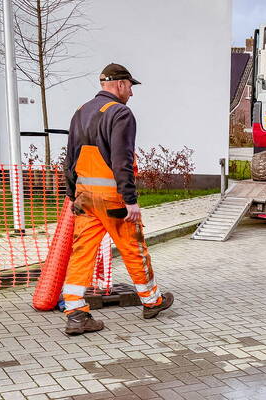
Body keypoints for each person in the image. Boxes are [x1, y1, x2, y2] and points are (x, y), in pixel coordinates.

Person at [60, 63, 174, 335]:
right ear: (120, 84)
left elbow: (70, 157)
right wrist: (130, 200)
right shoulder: (121, 113)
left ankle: (76, 314)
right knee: (134, 249)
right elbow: (122, 159)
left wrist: (71, 193)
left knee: (81, 254)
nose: (132, 93)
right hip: (113, 200)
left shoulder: (80, 111)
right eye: (131, 87)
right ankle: (151, 301)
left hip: (85, 197)